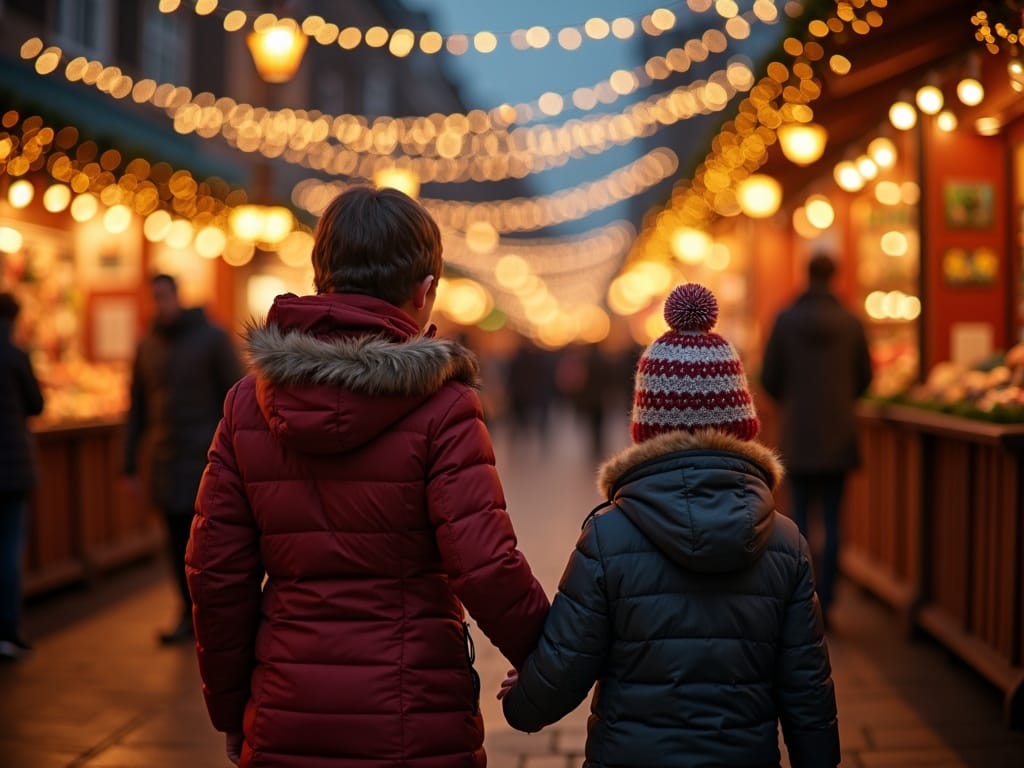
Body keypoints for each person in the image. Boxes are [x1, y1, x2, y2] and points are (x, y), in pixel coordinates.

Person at [186, 186, 550, 768]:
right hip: (416, 712)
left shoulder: (246, 405)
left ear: (321, 275)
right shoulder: (444, 405)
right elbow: (484, 564)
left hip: (287, 708)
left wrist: (231, 710)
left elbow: (216, 574)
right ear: (425, 290)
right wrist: (552, 659)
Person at [500, 284, 840, 768]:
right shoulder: (785, 541)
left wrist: (523, 700)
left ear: (646, 426)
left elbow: (566, 664)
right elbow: (807, 684)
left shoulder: (608, 536)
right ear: (742, 422)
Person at [123, 273, 243, 645]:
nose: (160, 304)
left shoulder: (212, 338)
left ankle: (211, 612)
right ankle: (186, 611)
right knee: (176, 542)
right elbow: (137, 408)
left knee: (209, 542)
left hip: (207, 460)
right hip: (165, 459)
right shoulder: (148, 346)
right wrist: (127, 463)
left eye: (164, 296)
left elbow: (236, 399)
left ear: (177, 295)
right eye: (154, 297)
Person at [760, 253, 873, 621]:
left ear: (805, 275)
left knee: (799, 522)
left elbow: (769, 378)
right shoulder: (852, 322)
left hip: (797, 435)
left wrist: (792, 404)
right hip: (839, 434)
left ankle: (803, 599)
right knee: (835, 519)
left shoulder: (784, 319)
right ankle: (830, 599)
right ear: (836, 275)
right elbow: (865, 377)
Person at [0, 292, 44, 661]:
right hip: (14, 469)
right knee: (10, 549)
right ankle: (9, 631)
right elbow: (37, 404)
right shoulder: (16, 355)